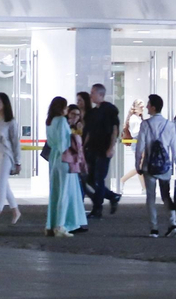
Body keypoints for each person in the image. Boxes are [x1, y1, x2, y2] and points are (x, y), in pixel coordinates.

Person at [136, 94, 176, 237]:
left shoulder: (145, 124)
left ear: (154, 107)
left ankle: (154, 228)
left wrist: (138, 163)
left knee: (151, 197)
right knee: (166, 195)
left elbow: (140, 147)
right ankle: (173, 223)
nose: (147, 107)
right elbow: (175, 148)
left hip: (149, 165)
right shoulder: (170, 125)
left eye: (149, 104)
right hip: (164, 166)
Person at [44, 96, 86, 237]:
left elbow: (52, 142)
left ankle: (51, 224)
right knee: (64, 192)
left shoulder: (49, 121)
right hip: (64, 157)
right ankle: (60, 225)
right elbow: (64, 143)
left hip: (53, 157)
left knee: (55, 191)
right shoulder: (62, 120)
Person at [82, 83, 122, 218]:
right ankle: (112, 196)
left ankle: (97, 208)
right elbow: (88, 132)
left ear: (101, 94)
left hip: (103, 149)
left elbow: (114, 130)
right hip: (92, 149)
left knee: (99, 179)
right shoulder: (92, 113)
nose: (91, 95)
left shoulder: (110, 110)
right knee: (91, 179)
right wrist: (83, 147)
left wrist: (111, 147)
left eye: (93, 92)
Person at [0, 91, 21, 226]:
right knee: (4, 185)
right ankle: (15, 211)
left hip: (6, 155)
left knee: (1, 185)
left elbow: (15, 142)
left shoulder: (11, 122)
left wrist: (18, 161)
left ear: (4, 104)